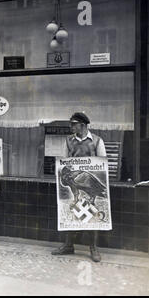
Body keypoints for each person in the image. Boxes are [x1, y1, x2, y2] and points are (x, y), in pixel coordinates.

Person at [51, 112, 106, 262]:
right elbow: (63, 162)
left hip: (88, 184)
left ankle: (93, 247)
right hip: (74, 182)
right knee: (71, 211)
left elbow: (102, 165)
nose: (71, 127)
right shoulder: (68, 141)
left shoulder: (96, 141)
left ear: (82, 125)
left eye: (73, 124)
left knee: (92, 214)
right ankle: (68, 245)